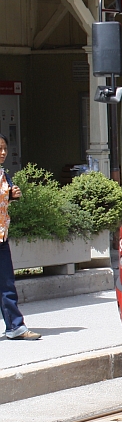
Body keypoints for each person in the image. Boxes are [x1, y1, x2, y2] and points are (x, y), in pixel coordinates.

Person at [0, 133, 40, 340]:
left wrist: (13, 194)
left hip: (1, 236)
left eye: (5, 148)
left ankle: (15, 327)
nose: (3, 153)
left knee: (6, 284)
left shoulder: (3, 174)